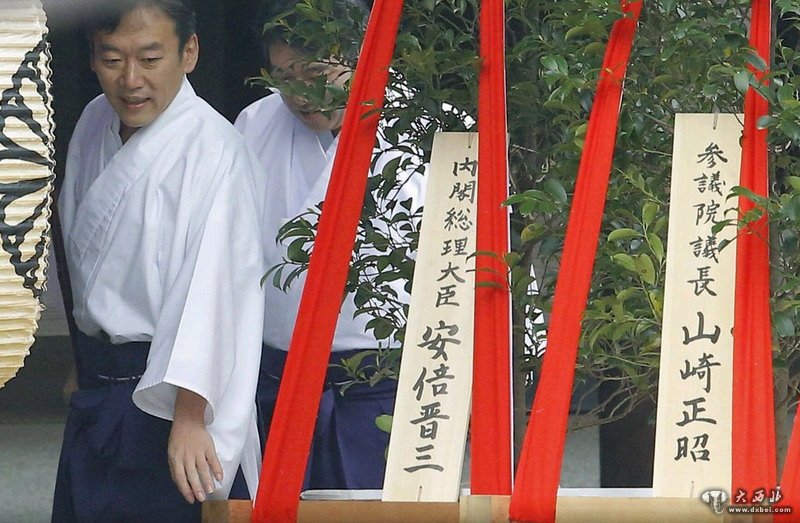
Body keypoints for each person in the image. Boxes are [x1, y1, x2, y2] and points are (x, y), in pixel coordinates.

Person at [53, 1, 266, 520]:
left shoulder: (216, 148)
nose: (130, 80)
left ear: (188, 52)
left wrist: (191, 415)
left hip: (167, 394)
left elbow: (215, 290)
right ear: (92, 58)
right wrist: (84, 359)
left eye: (150, 59)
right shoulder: (93, 121)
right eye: (112, 59)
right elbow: (83, 251)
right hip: (100, 380)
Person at [234, 0, 427, 491]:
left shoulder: (432, 127)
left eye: (318, 71)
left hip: (385, 386)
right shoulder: (253, 125)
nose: (302, 93)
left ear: (364, 54)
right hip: (275, 378)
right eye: (284, 75)